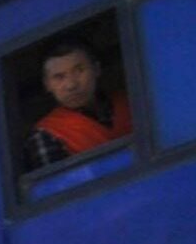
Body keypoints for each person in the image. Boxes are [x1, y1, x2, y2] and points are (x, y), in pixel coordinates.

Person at [23, 37, 132, 170]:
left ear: (96, 69)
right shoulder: (45, 135)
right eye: (59, 77)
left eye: (79, 70)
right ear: (47, 85)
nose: (71, 85)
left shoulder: (132, 102)